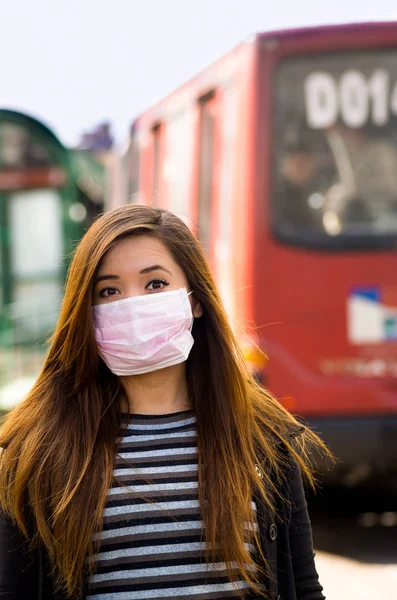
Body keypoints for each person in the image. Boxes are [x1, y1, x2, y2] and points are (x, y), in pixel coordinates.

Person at [0, 205, 329, 600]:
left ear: (196, 299)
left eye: (155, 284)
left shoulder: (260, 438)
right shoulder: (37, 453)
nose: (132, 304)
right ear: (85, 314)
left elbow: (304, 588)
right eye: (109, 291)